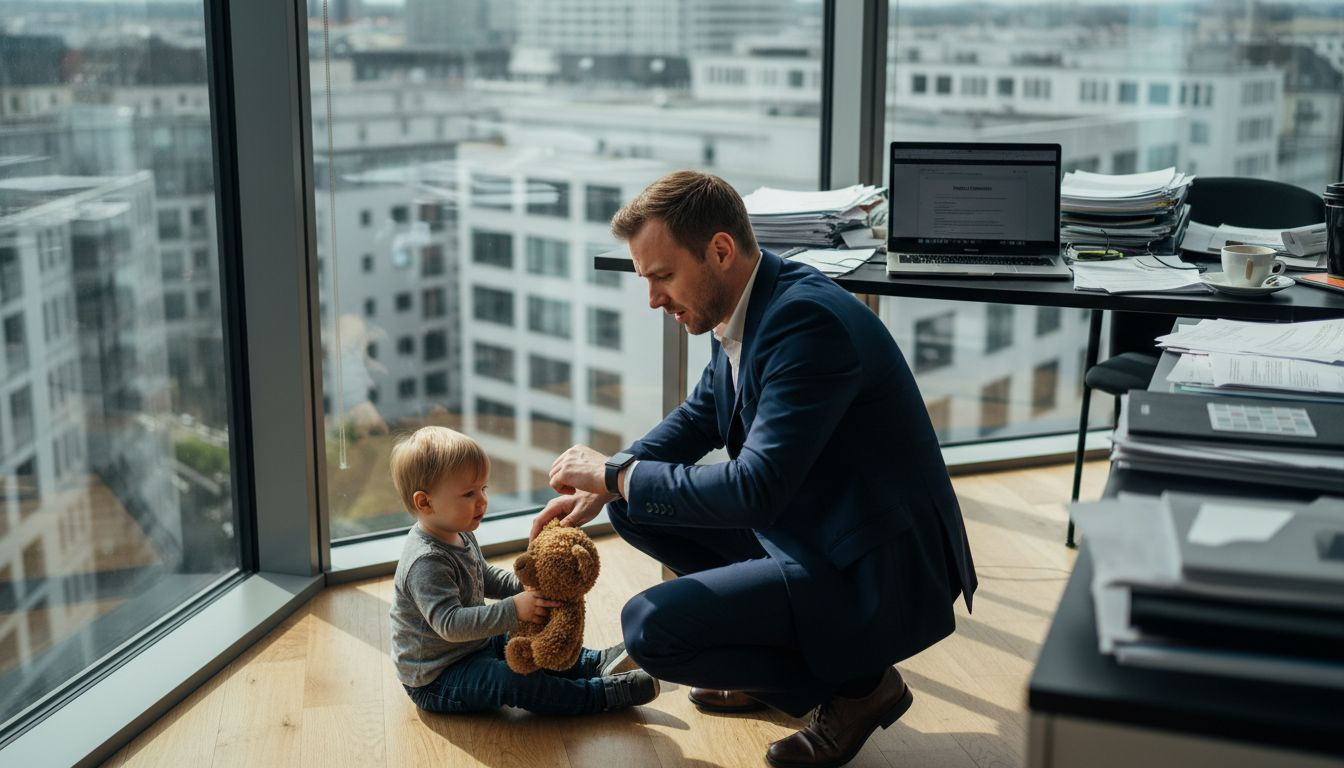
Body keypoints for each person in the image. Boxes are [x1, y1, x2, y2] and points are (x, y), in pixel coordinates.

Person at [534, 171, 977, 767]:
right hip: (813, 525)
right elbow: (700, 417)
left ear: (720, 250)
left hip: (875, 564)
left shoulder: (807, 323)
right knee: (636, 508)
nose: (654, 299)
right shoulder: (747, 302)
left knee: (649, 627)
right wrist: (612, 480)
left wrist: (615, 477)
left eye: (663, 276)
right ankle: (781, 653)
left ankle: (859, 685)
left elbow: (754, 490)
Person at [388, 426, 659, 716]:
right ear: (425, 502)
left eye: (483, 489)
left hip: (474, 645)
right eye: (468, 493)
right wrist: (514, 609)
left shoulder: (459, 532)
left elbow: (483, 577)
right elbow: (450, 624)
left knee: (528, 639)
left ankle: (592, 663)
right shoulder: (426, 561)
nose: (482, 500)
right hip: (438, 676)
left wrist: (528, 587)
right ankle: (598, 695)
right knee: (512, 681)